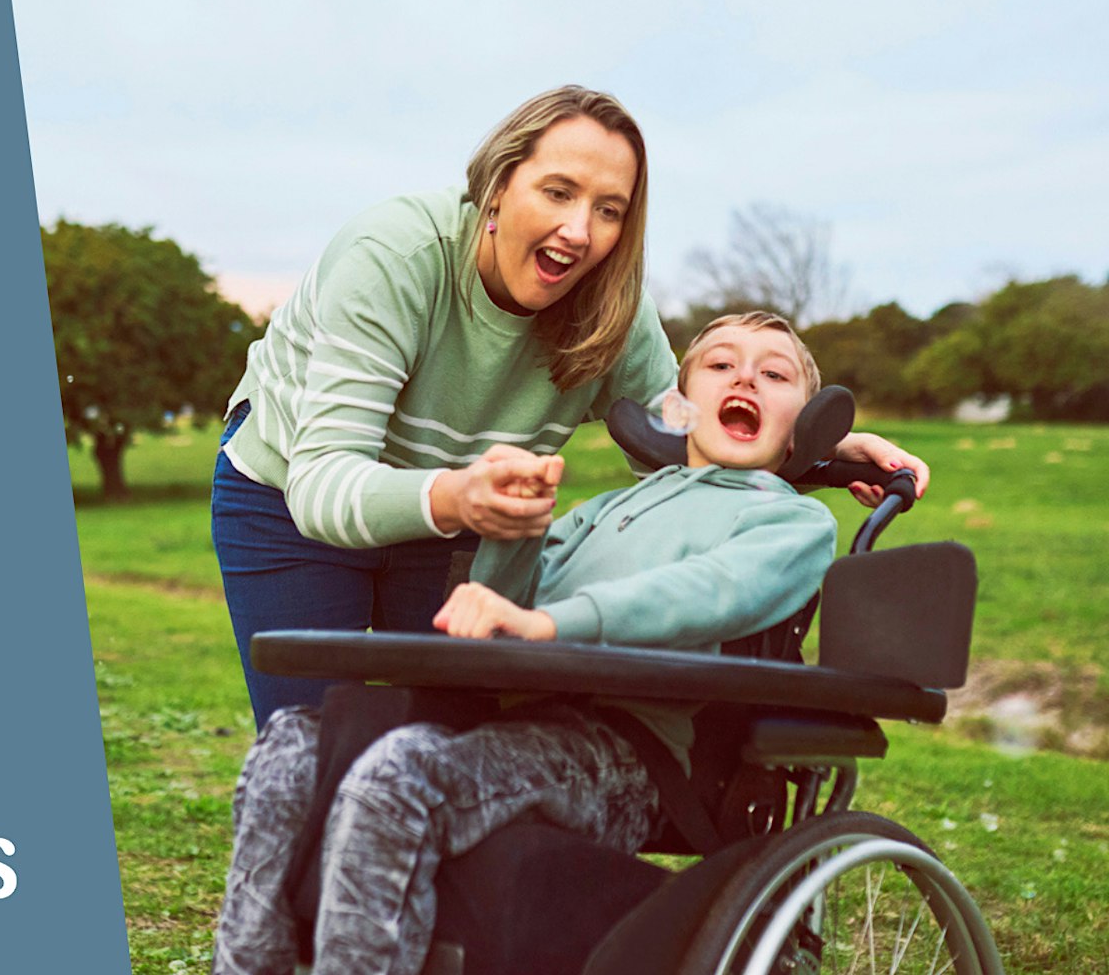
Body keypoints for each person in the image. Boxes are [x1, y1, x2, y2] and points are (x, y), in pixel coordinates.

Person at [212, 85, 927, 728]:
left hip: (459, 517)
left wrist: (821, 455)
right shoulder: (397, 256)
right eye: (557, 192)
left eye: (608, 210)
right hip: (294, 494)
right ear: (496, 186)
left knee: (436, 739)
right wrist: (459, 496)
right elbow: (322, 487)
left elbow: (686, 435)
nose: (580, 232)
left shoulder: (613, 312)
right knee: (305, 743)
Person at [211, 312, 840, 975]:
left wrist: (558, 623)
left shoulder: (791, 520)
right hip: (520, 724)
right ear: (678, 410)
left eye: (774, 373)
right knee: (291, 747)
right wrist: (519, 530)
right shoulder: (606, 511)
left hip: (637, 754)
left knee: (401, 777)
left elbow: (708, 591)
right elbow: (515, 598)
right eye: (719, 365)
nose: (744, 376)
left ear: (806, 422)